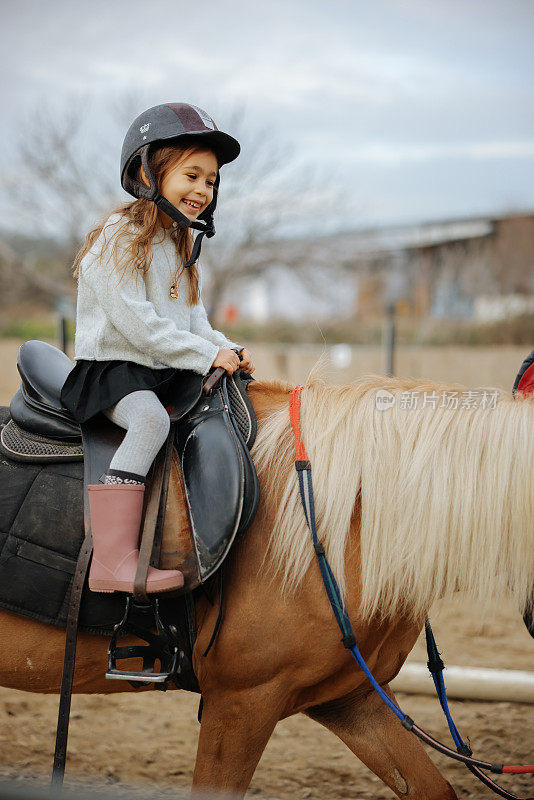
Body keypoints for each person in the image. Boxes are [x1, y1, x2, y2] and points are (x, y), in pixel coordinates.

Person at [60, 102, 255, 595]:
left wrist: (224, 347)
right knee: (150, 421)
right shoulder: (120, 236)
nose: (202, 190)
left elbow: (193, 320)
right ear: (151, 170)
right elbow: (137, 325)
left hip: (157, 367)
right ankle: (114, 560)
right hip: (115, 369)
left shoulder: (181, 245)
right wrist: (201, 355)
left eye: (211, 181)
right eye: (192, 174)